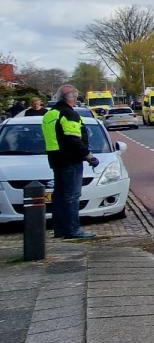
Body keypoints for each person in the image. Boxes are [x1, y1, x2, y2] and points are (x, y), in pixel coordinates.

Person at [42, 85, 98, 239]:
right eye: (75, 97)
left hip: (55, 159)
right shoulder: (69, 114)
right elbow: (73, 139)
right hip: (70, 160)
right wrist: (89, 156)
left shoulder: (50, 114)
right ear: (70, 98)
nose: (76, 100)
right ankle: (73, 230)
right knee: (72, 196)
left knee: (59, 196)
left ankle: (60, 229)